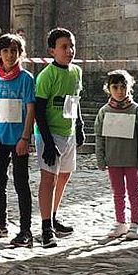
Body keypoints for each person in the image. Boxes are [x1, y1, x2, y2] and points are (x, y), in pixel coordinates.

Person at [0, 33, 36, 247]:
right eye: (5, 51)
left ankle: (25, 229)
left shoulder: (26, 79)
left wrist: (25, 137)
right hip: (0, 138)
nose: (10, 55)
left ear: (20, 54)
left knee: (21, 183)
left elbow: (30, 109)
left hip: (19, 139)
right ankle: (1, 223)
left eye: (14, 51)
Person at [34, 27, 85, 248]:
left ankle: (54, 217)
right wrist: (47, 142)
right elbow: (39, 110)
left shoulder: (76, 72)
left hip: (68, 131)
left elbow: (75, 100)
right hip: (50, 133)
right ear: (52, 51)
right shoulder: (47, 75)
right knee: (49, 179)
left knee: (64, 175)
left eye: (72, 46)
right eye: (64, 47)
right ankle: (46, 228)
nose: (70, 50)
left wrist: (80, 126)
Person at [94, 69, 138, 240]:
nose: (119, 91)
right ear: (108, 89)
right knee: (118, 193)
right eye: (115, 87)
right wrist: (101, 158)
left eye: (123, 87)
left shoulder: (136, 110)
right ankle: (120, 222)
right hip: (113, 160)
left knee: (134, 193)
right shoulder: (104, 111)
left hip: (132, 161)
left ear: (129, 87)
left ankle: (135, 224)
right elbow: (99, 136)